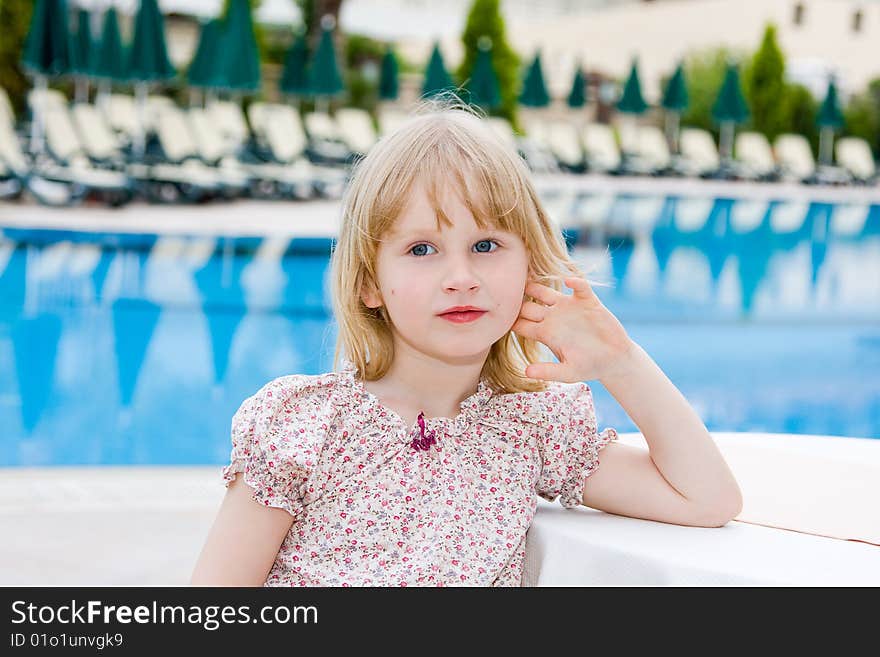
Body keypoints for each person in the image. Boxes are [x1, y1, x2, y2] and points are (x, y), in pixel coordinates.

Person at [190, 95, 742, 587]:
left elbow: (706, 498)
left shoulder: (531, 426)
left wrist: (621, 363)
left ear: (530, 263)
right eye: (422, 250)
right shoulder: (305, 427)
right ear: (368, 284)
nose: (461, 277)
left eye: (485, 245)